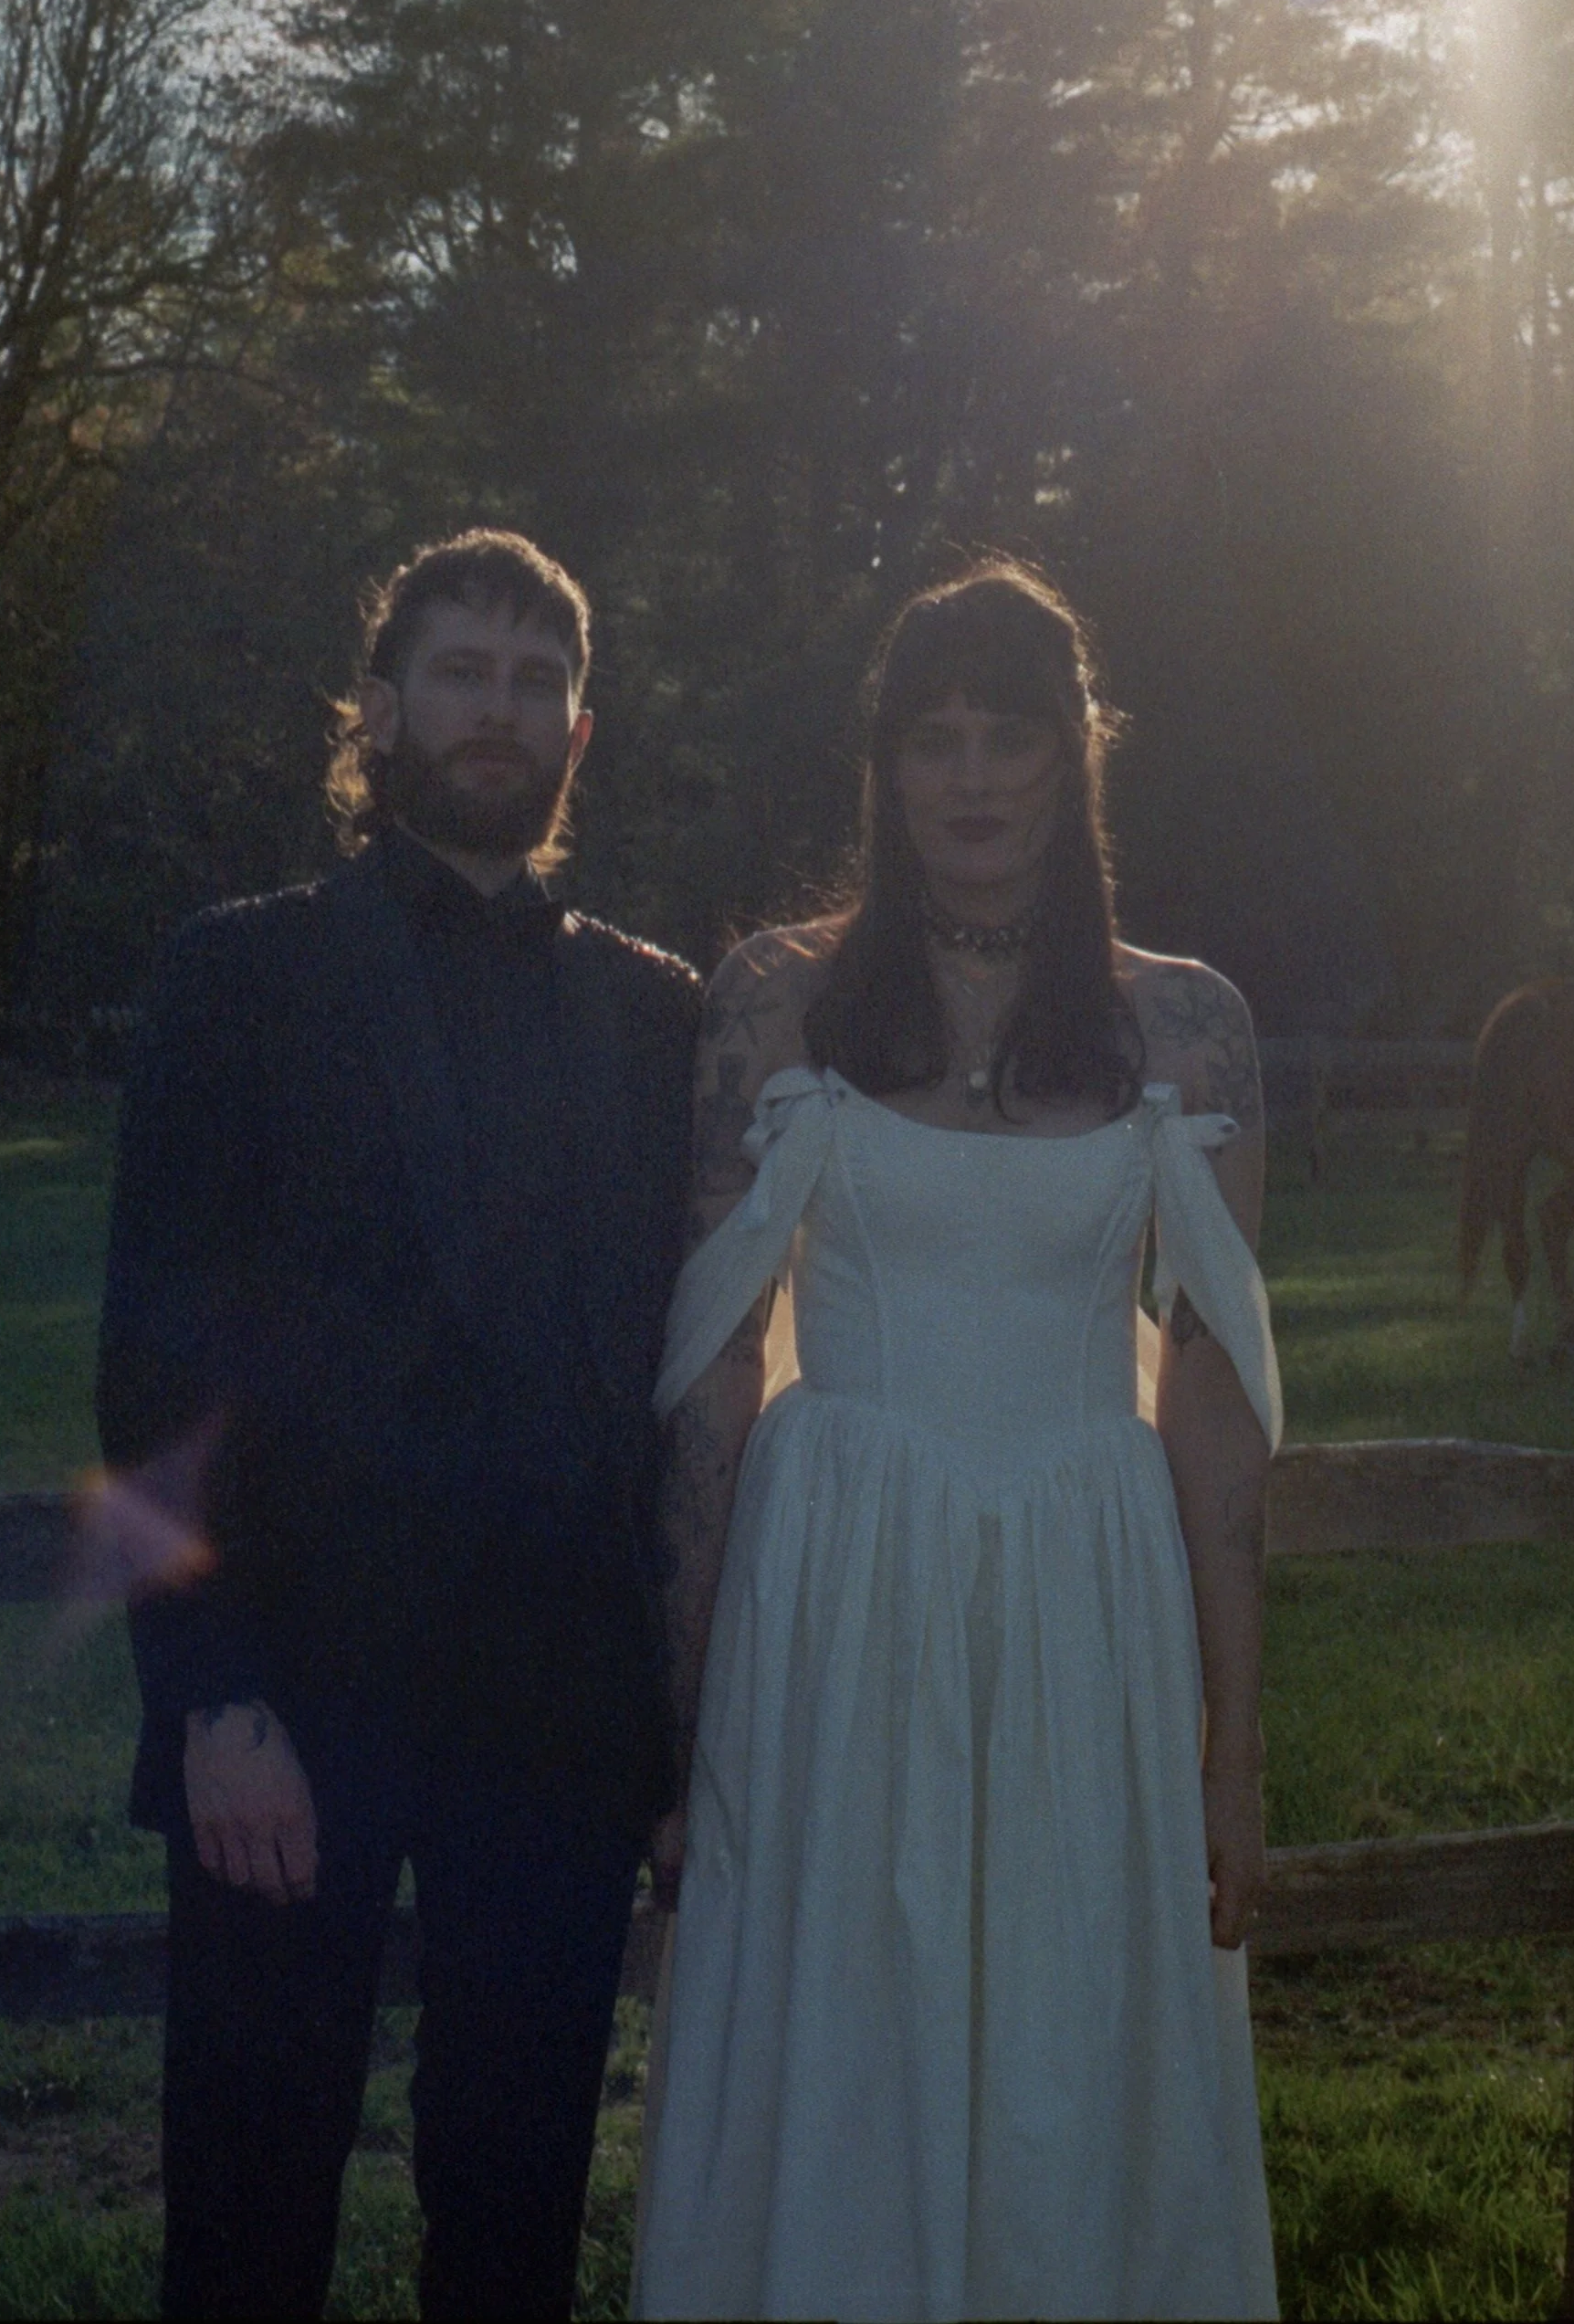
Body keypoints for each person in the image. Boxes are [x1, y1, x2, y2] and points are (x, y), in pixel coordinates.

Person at [634, 562, 1283, 2322]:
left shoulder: (1186, 1021)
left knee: (1071, 2030)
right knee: (839, 2026)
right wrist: (680, 1723)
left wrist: (1232, 1750)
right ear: (886, 769)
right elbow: (707, 1378)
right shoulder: (778, 1004)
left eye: (1013, 738)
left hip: (1088, 1596)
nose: (975, 780)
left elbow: (1217, 1408)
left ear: (1078, 761)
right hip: (831, 1601)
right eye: (936, 743)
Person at [95, 531, 701, 2321]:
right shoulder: (235, 977)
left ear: (579, 731)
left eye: (532, 680)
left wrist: (673, 1723)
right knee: (248, 2194)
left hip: (558, 1723)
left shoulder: (660, 1012)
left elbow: (693, 1373)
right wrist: (207, 1692)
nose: (493, 710)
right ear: (377, 709)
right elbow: (149, 1366)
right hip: (291, 1692)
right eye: (459, 669)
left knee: (514, 2213)